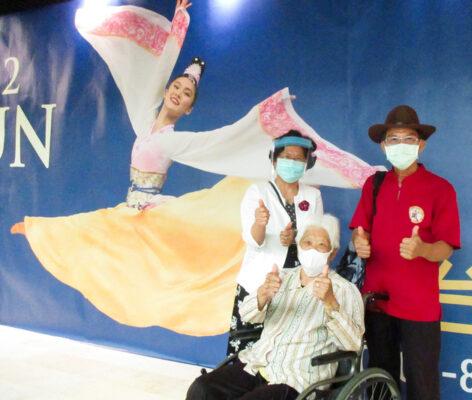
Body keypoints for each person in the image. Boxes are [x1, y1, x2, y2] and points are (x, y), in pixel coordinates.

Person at [9, 1, 379, 338]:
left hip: (151, 213)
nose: (179, 93)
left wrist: (262, 116)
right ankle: (40, 231)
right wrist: (179, 23)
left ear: (188, 109)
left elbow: (220, 140)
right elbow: (161, 68)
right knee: (98, 234)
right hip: (130, 211)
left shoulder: (172, 141)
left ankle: (42, 232)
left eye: (187, 94)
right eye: (177, 87)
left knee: (155, 252)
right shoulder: (143, 117)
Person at [187, 214, 365, 400]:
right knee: (201, 389)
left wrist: (330, 303)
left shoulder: (344, 289)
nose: (312, 249)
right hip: (256, 364)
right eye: (307, 242)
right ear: (299, 247)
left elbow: (353, 343)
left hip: (296, 378)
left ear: (333, 252)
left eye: (320, 245)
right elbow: (246, 315)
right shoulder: (282, 277)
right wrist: (262, 296)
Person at [349, 105, 461, 400]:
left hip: (419, 307)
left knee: (422, 382)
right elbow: (359, 230)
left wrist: (423, 248)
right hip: (378, 303)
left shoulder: (441, 189)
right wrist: (359, 242)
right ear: (384, 145)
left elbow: (446, 247)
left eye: (408, 139)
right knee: (379, 381)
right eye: (394, 139)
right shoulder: (374, 185)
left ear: (421, 144)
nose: (401, 146)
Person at [228, 130, 324, 354]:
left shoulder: (313, 196)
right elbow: (253, 240)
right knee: (247, 349)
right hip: (259, 282)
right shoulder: (258, 191)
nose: (293, 162)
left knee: (284, 352)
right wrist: (260, 223)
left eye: (299, 158)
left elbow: (318, 240)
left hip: (296, 287)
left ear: (307, 163)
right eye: (287, 157)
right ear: (274, 159)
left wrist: (296, 238)